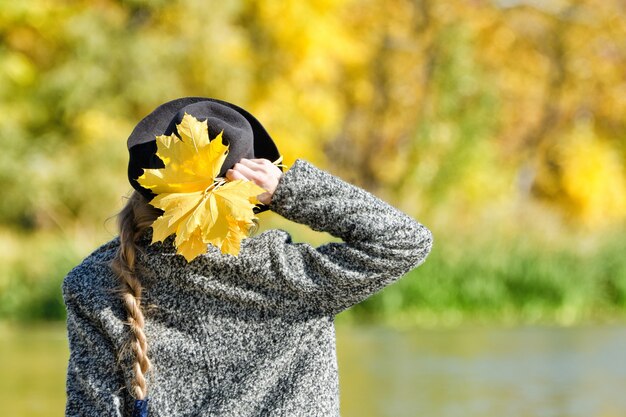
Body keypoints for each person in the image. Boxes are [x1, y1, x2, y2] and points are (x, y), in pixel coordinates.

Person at [62, 97, 433, 417]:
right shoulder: (283, 274)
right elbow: (405, 241)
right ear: (249, 198)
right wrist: (289, 189)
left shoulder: (93, 283)